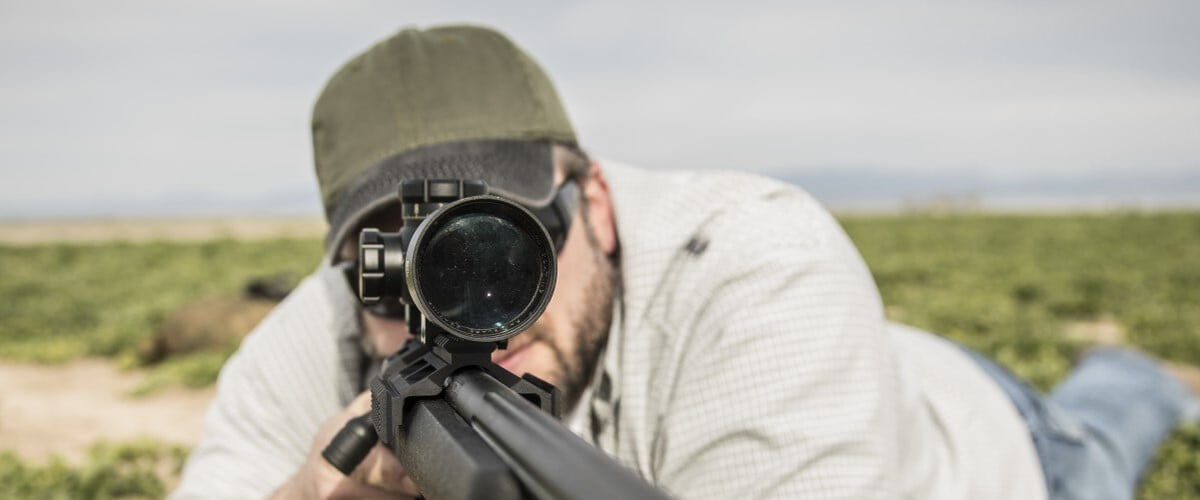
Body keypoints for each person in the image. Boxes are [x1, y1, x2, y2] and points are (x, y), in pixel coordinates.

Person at [172, 25, 1200, 500]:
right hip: (841, 374)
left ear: (599, 202)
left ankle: (1138, 376)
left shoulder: (760, 256)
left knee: (1108, 427)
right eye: (399, 268)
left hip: (985, 445)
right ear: (357, 270)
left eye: (502, 243)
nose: (470, 306)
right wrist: (308, 492)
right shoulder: (322, 327)